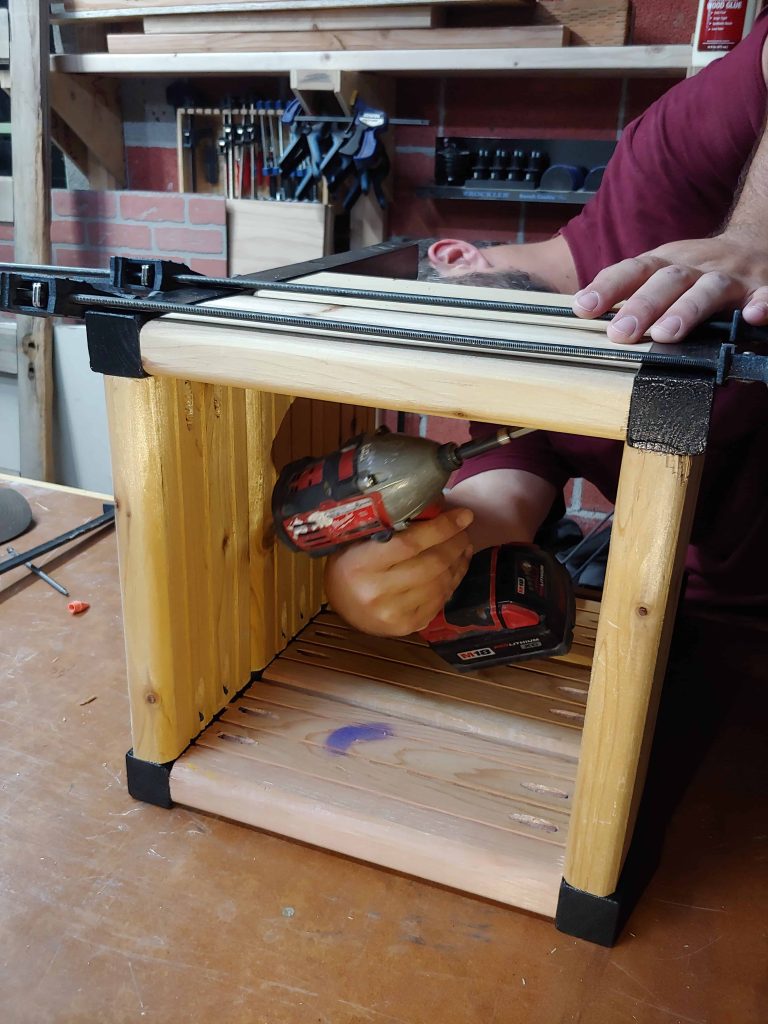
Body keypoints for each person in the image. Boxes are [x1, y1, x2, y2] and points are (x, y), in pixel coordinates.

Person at [325, 13, 768, 638]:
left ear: (454, 257)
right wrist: (386, 577)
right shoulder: (512, 393)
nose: (446, 355)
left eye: (425, 317)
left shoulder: (655, 172)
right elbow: (491, 512)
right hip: (725, 619)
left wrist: (755, 233)